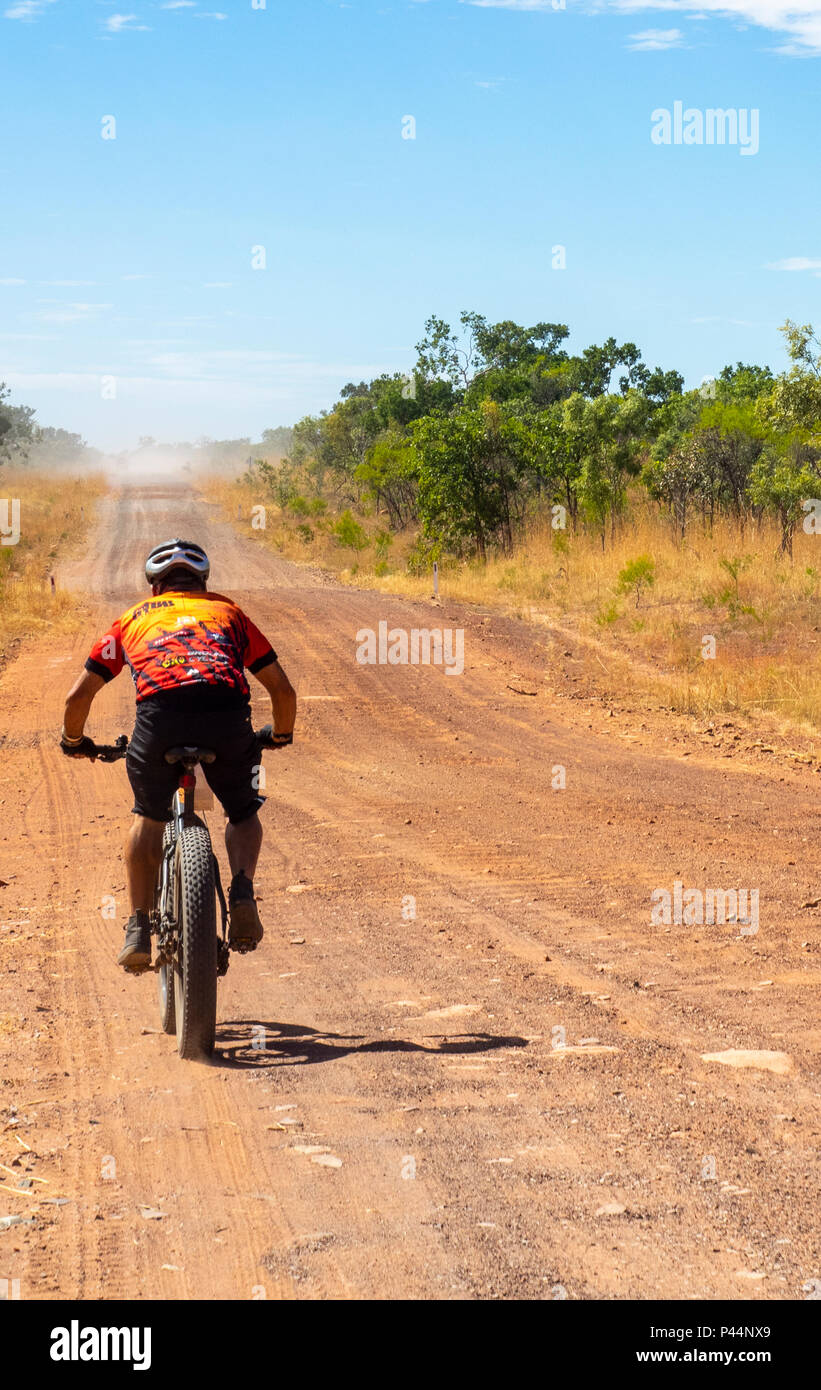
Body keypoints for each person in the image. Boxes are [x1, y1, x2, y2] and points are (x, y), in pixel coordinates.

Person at [59, 539, 296, 973]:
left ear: (155, 588)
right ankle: (242, 892)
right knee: (242, 812)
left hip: (160, 718)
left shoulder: (132, 619)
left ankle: (137, 928)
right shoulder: (229, 614)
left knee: (148, 817)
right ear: (203, 583)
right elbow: (282, 690)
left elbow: (79, 696)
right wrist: (280, 734)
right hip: (225, 717)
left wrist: (74, 742)